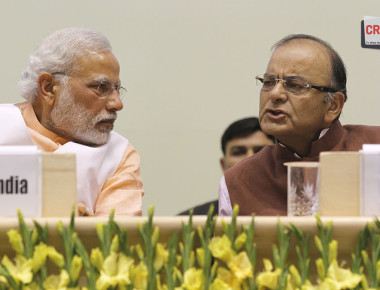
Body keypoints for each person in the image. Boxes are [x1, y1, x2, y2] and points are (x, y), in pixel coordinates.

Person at [219, 34, 380, 216]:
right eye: (269, 82)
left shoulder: (375, 145)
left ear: (333, 106)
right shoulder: (238, 181)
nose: (275, 94)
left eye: (295, 85)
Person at [0, 27, 143, 216]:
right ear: (48, 88)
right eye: (101, 87)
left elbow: (117, 239)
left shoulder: (118, 155)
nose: (117, 104)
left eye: (117, 89)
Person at [178, 117, 274, 216]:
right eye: (238, 152)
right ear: (223, 165)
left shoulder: (290, 217)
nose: (248, 159)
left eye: (260, 151)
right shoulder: (186, 224)